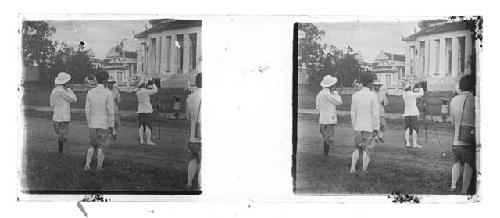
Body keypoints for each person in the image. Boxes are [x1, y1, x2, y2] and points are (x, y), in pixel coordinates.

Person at [449, 74, 476, 194]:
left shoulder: (453, 101)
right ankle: (464, 190)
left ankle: (453, 185)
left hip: (456, 139)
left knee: (457, 162)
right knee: (468, 165)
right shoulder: (473, 100)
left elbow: (452, 121)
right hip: (468, 139)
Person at [84, 70, 114, 171]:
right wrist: (111, 125)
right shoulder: (108, 93)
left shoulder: (90, 92)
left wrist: (89, 122)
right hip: (104, 124)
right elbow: (110, 111)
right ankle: (99, 167)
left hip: (93, 123)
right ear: (105, 80)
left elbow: (87, 109)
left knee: (92, 144)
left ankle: (87, 164)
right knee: (102, 146)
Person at [350, 73, 379, 174]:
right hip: (369, 126)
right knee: (368, 148)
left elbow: (353, 113)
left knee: (357, 147)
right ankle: (364, 169)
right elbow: (375, 113)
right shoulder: (373, 95)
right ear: (370, 84)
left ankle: (353, 167)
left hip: (358, 125)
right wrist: (376, 128)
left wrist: (354, 125)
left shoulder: (355, 95)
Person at [50, 72, 77, 153]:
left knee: (60, 136)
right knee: (62, 136)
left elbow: (52, 104)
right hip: (64, 117)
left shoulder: (54, 90)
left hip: (56, 117)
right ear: (65, 82)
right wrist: (69, 89)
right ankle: (62, 152)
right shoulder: (64, 91)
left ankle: (60, 151)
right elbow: (74, 99)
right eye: (68, 81)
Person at [315, 75, 342, 156]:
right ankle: (327, 153)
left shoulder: (320, 93)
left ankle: (326, 153)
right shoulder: (328, 94)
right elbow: (339, 102)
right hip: (330, 119)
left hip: (322, 119)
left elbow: (317, 107)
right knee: (328, 137)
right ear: (331, 85)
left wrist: (322, 113)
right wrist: (337, 94)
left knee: (326, 136)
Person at [186, 73, 202, 189]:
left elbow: (187, 116)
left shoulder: (190, 97)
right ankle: (200, 187)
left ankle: (189, 182)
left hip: (193, 135)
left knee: (193, 158)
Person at [402, 82, 424, 148]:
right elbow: (421, 94)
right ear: (410, 88)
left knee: (407, 128)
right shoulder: (412, 94)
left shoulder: (403, 94)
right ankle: (414, 144)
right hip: (414, 113)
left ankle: (408, 143)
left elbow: (404, 90)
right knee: (415, 128)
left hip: (407, 113)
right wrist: (421, 88)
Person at [136, 79, 158, 145]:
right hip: (147, 110)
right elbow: (155, 90)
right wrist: (153, 84)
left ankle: (142, 140)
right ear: (143, 85)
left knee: (141, 126)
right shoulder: (145, 91)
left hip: (140, 110)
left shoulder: (138, 92)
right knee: (148, 125)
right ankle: (148, 141)